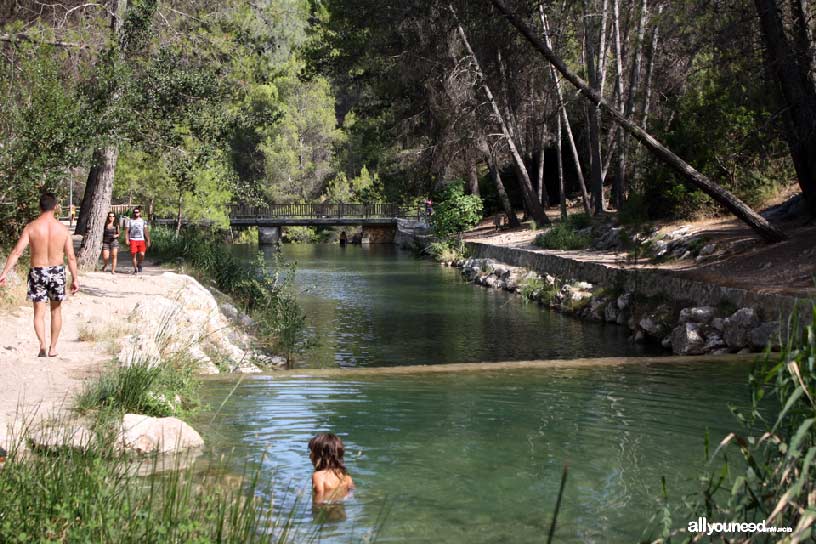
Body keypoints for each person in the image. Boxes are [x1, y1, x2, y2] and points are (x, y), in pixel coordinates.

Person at [0, 192, 80, 357]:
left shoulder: (31, 227)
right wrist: (75, 278)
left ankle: (43, 345)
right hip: (57, 271)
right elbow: (71, 257)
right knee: (56, 310)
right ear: (56, 207)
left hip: (37, 271)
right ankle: (53, 348)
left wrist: (4, 273)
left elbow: (17, 252)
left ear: (39, 206)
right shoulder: (63, 229)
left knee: (38, 313)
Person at [309, 432, 355, 504]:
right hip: (341, 513)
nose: (310, 455)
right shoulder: (347, 477)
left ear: (320, 456)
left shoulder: (318, 476)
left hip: (325, 512)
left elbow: (318, 500)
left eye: (312, 452)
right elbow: (351, 494)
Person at [125, 207, 150, 274]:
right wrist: (127, 239)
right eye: (135, 212)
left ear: (139, 213)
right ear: (133, 213)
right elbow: (127, 231)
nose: (136, 213)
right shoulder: (130, 221)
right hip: (133, 239)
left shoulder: (143, 221)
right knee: (133, 254)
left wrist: (148, 240)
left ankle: (139, 264)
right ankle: (135, 269)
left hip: (141, 239)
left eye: (137, 212)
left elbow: (146, 231)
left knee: (142, 254)